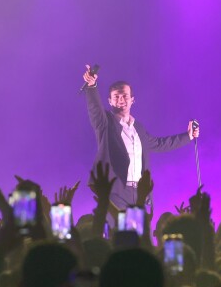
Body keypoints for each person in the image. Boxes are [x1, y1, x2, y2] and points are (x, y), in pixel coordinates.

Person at [81, 65, 200, 211]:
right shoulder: (105, 123)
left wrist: (188, 136)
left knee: (137, 226)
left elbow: (160, 144)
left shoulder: (138, 129)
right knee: (119, 226)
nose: (121, 99)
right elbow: (95, 109)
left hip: (139, 193)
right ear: (110, 101)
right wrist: (91, 86)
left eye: (124, 96)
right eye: (116, 97)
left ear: (132, 100)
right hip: (115, 191)